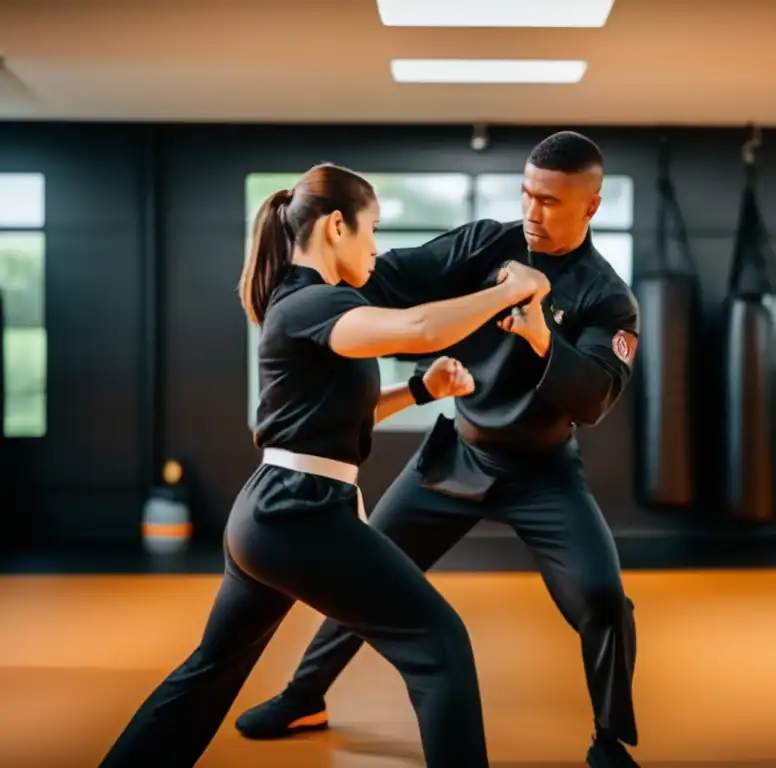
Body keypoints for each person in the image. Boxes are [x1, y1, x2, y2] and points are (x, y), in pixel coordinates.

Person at [98, 162, 552, 768]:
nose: (377, 248)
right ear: (337, 227)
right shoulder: (312, 301)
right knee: (440, 643)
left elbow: (330, 416)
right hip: (298, 514)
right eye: (373, 231)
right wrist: (511, 290)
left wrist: (419, 392)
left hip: (276, 511)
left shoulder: (309, 304)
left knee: (208, 674)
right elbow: (417, 327)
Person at [235, 132, 642, 768]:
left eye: (550, 202)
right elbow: (392, 276)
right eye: (527, 195)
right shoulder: (487, 243)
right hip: (461, 452)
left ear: (589, 207)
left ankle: (609, 740)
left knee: (602, 597)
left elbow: (593, 399)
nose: (532, 212)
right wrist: (321, 283)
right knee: (369, 570)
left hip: (543, 470)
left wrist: (542, 340)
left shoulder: (606, 296)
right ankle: (304, 694)